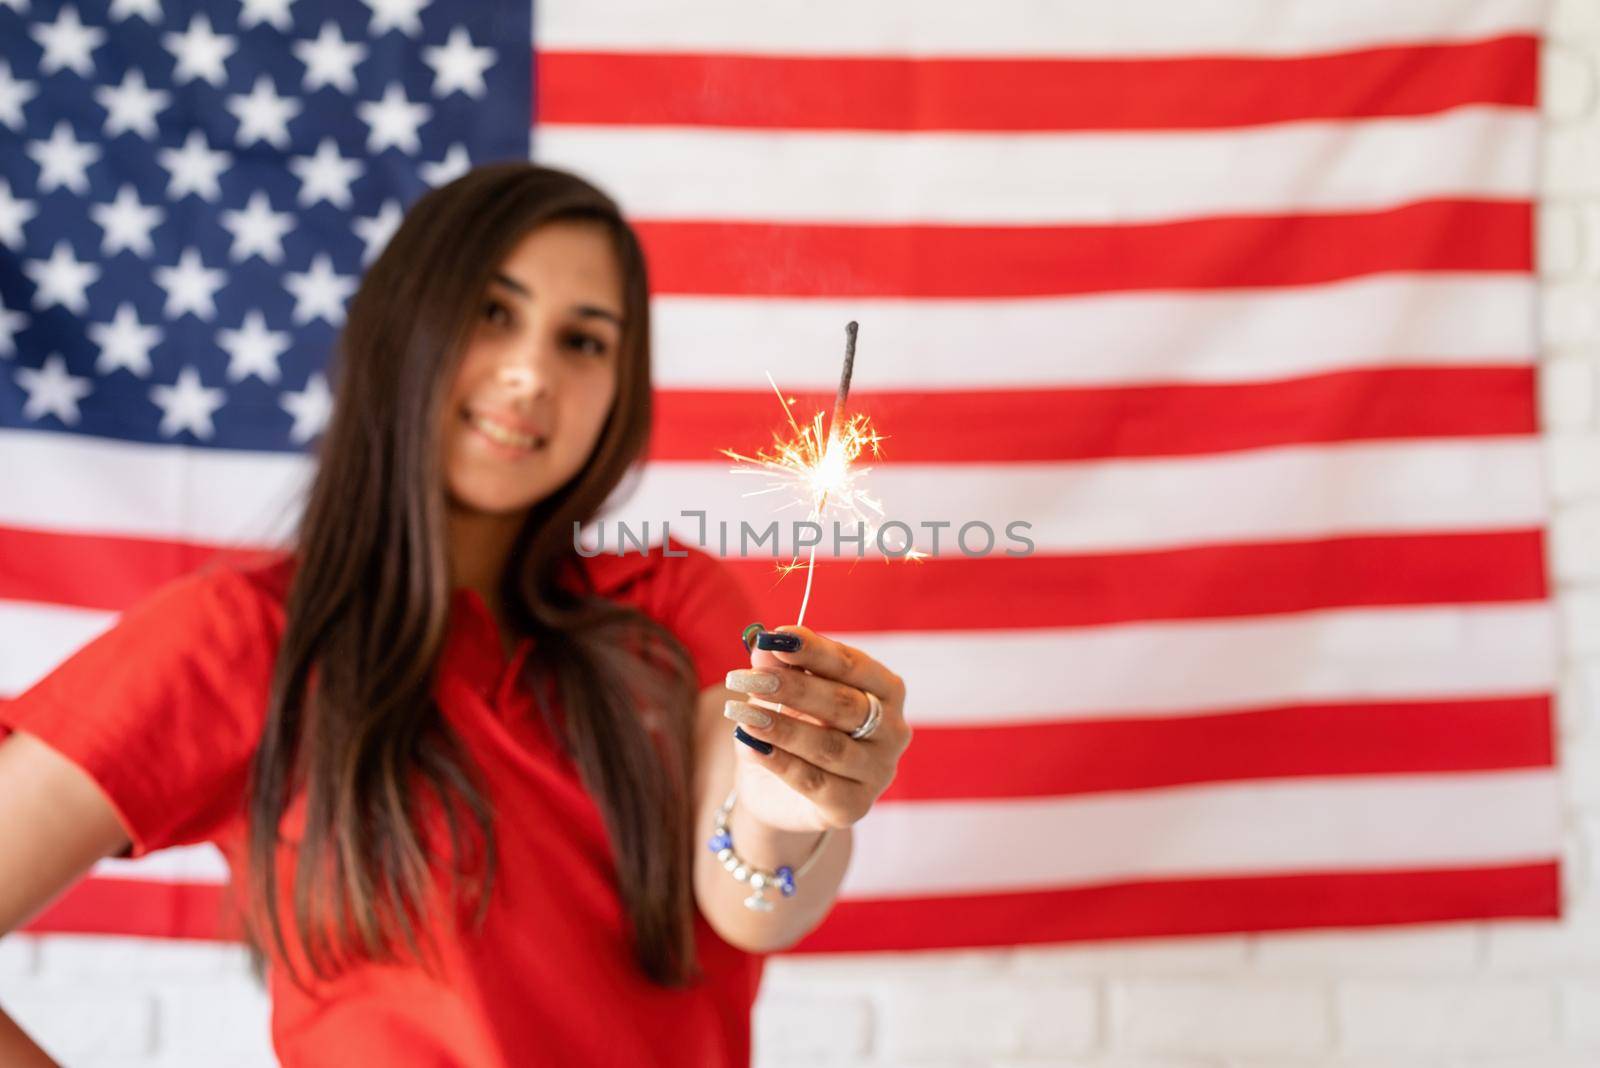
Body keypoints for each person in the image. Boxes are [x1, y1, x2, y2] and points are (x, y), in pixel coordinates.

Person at [0, 162, 912, 1067]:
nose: (530, 375)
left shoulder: (669, 603)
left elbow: (750, 905)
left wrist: (783, 809)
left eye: (584, 341)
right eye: (493, 313)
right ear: (402, 328)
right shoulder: (241, 640)